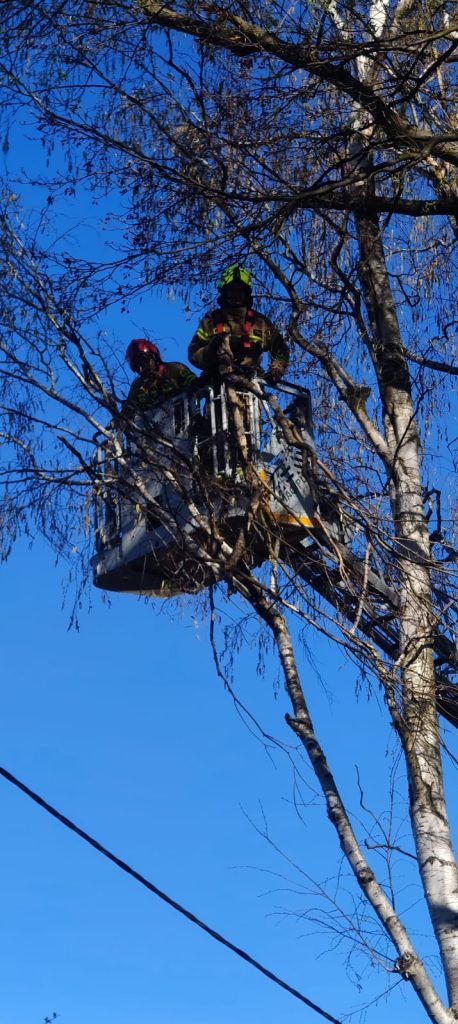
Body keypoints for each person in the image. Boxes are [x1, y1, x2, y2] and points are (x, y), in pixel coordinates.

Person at [188, 265, 288, 383]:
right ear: (224, 292)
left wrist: (275, 371)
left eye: (240, 290)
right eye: (232, 290)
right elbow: (193, 353)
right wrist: (210, 351)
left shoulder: (260, 322)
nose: (236, 294)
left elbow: (280, 348)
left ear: (246, 293)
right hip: (216, 383)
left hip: (251, 383)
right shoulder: (211, 321)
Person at [123, 338, 197, 414]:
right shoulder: (137, 387)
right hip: (154, 421)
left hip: (185, 417)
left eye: (144, 362)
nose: (141, 368)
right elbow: (126, 413)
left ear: (154, 356)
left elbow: (196, 383)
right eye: (137, 366)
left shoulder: (174, 369)